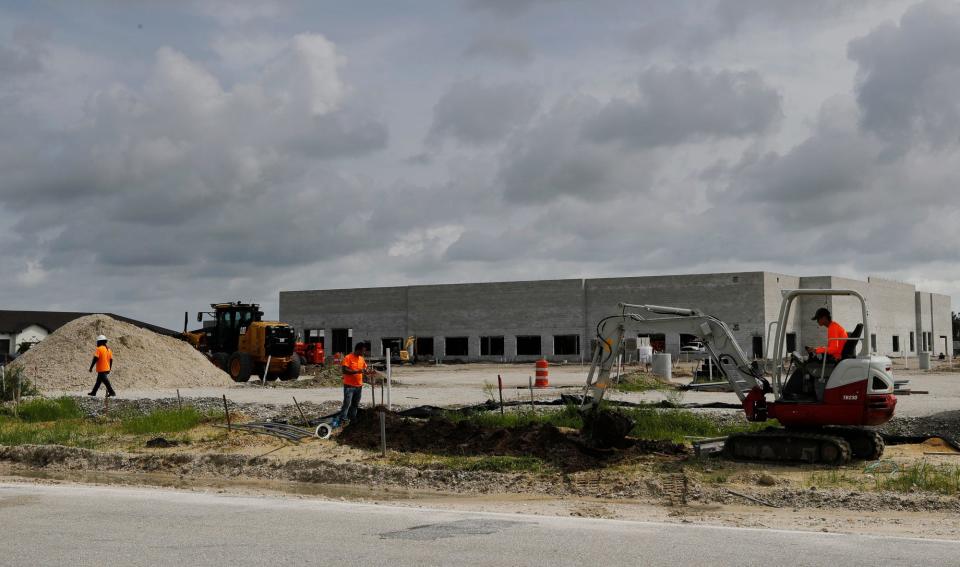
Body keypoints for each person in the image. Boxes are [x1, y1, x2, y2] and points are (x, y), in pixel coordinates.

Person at [338, 341, 376, 422]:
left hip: (359, 386)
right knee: (347, 404)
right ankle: (342, 419)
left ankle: (353, 418)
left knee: (355, 404)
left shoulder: (361, 359)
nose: (364, 352)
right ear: (358, 350)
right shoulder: (348, 357)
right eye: (363, 351)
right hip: (349, 386)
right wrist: (357, 371)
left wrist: (370, 372)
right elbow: (344, 370)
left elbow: (365, 370)